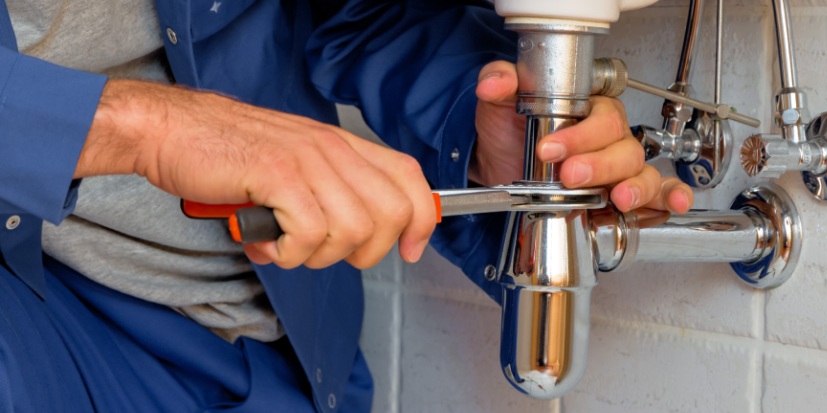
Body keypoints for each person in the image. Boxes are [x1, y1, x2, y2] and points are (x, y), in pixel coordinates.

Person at [0, 0, 693, 411]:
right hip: (44, 327)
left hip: (277, 345)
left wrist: (474, 125)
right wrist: (144, 126)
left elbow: (355, 15)